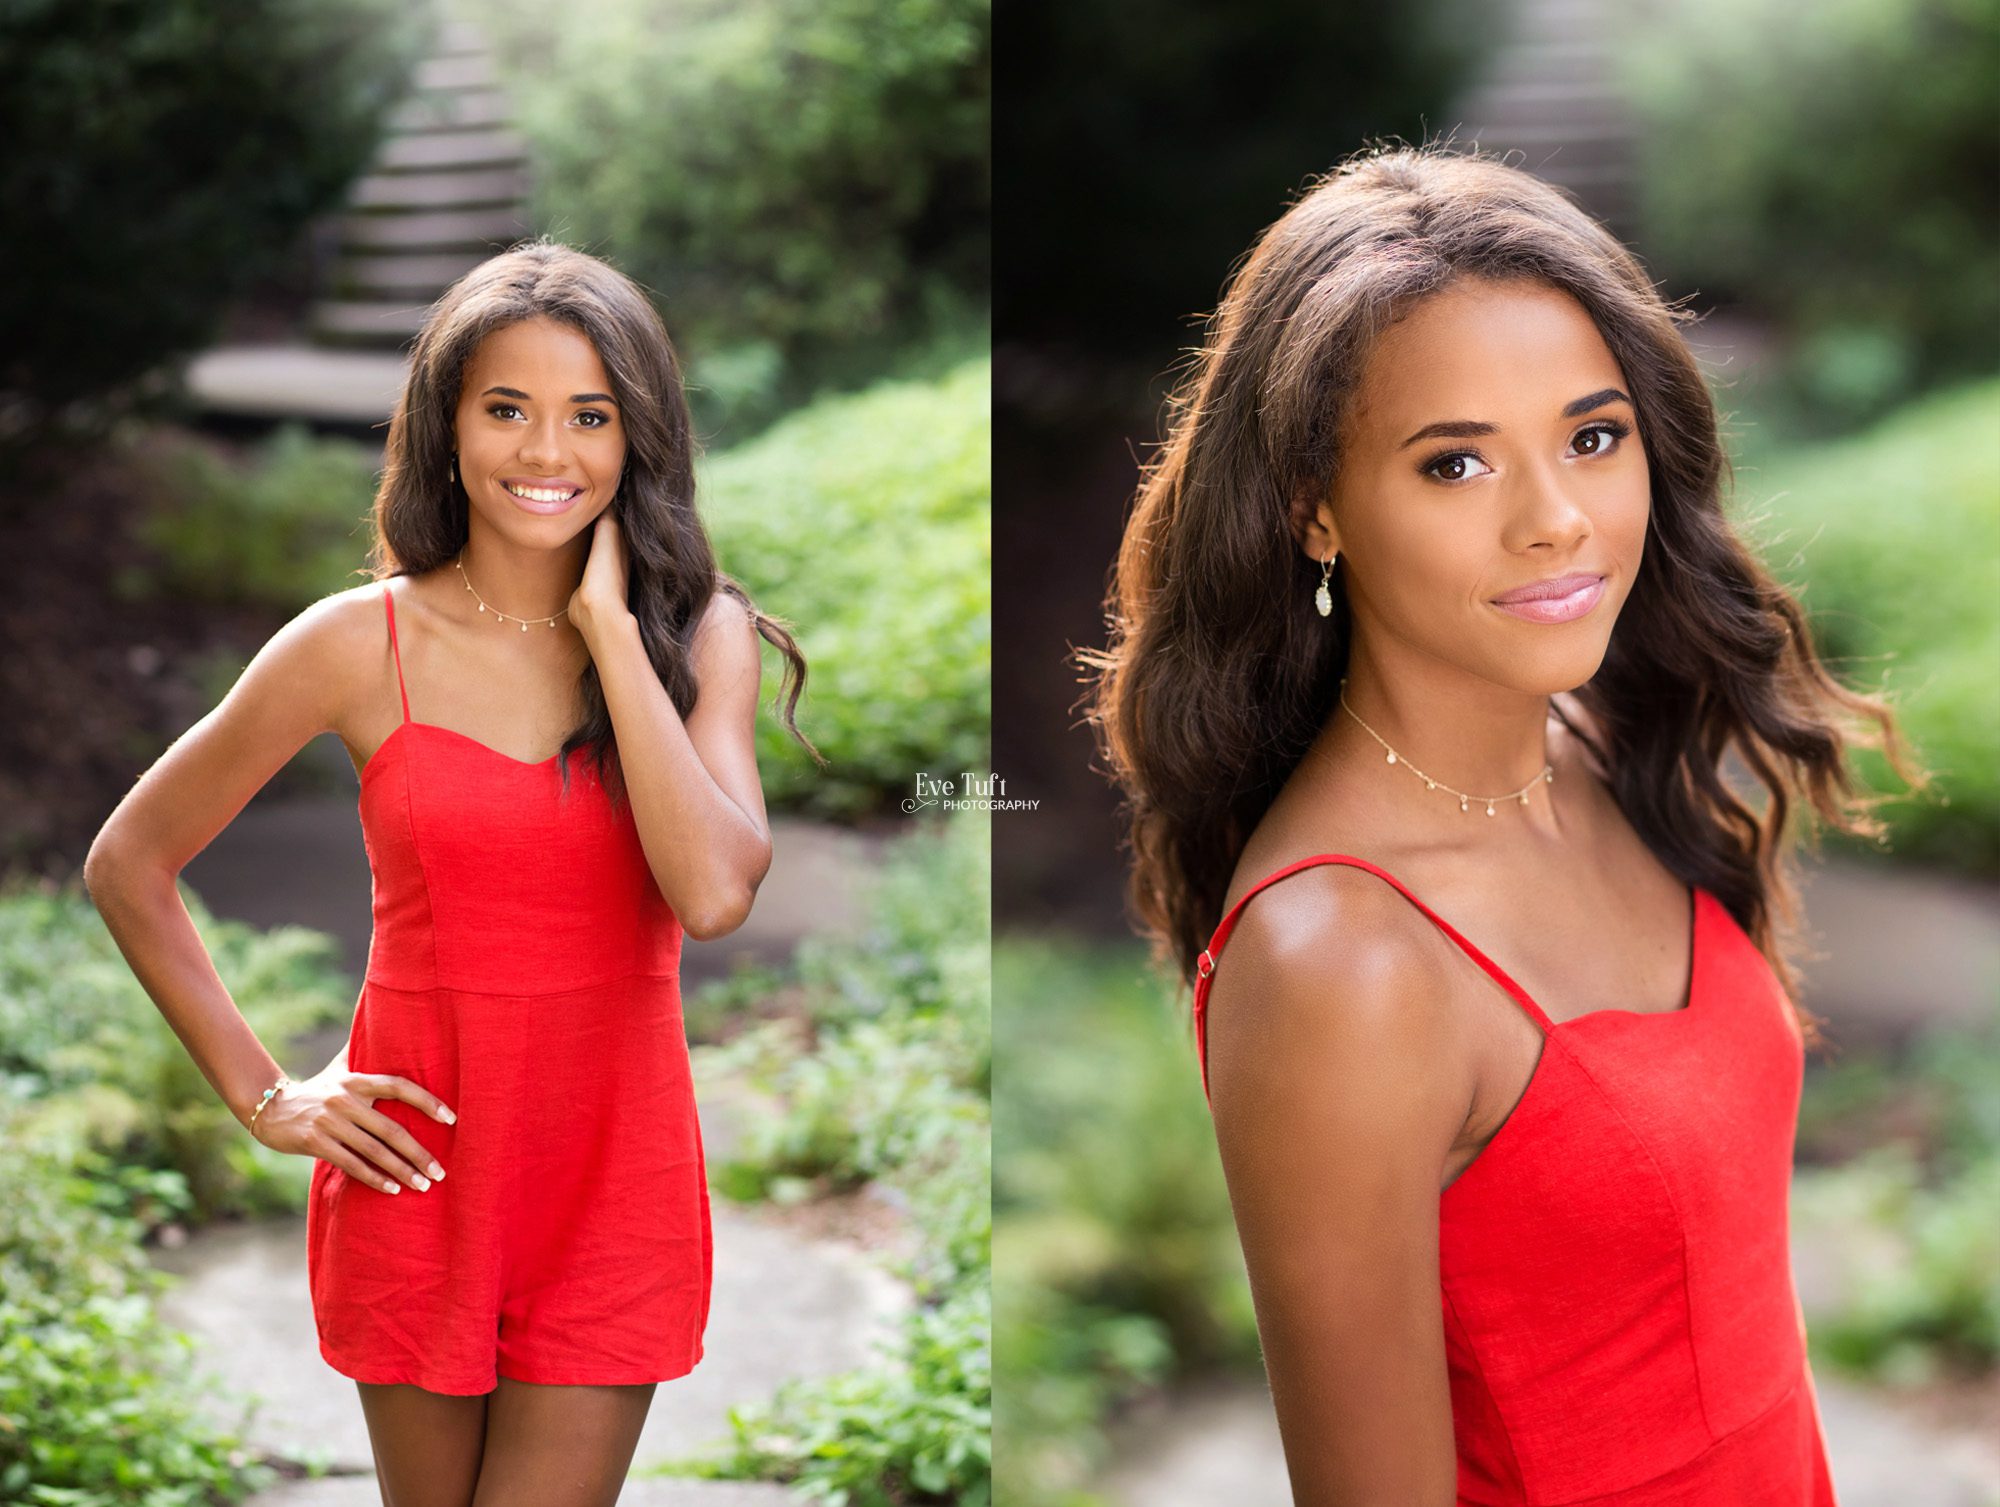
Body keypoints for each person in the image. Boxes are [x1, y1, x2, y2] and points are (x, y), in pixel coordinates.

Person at [1078, 144, 1925, 1503]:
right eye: (1455, 463)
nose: (1557, 521)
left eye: (1593, 437)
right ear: (1317, 513)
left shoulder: (1597, 755)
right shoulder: (1340, 961)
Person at [83, 238, 820, 1506]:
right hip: (416, 1169)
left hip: (607, 1169)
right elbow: (128, 861)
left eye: (588, 415)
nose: (547, 454)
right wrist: (266, 1098)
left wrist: (607, 632)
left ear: (637, 433)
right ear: (448, 424)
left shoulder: (701, 637)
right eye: (508, 410)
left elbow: (710, 891)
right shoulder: (353, 643)